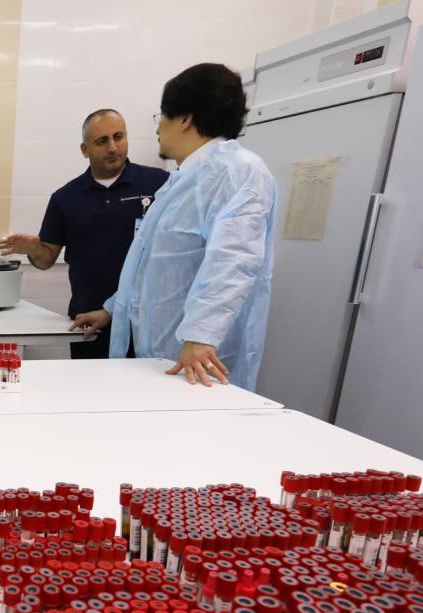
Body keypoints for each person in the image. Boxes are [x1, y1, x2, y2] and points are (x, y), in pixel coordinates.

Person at [70, 63, 277, 389]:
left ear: (185, 119)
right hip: (164, 356)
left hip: (198, 361)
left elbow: (234, 260)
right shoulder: (181, 181)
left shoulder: (237, 171)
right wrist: (112, 310)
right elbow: (152, 267)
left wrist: (201, 336)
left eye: (161, 116)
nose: (157, 128)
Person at [0, 110, 168, 358]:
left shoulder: (159, 184)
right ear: (85, 149)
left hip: (149, 322)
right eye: (102, 141)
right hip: (89, 324)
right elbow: (45, 260)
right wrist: (33, 249)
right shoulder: (66, 198)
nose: (113, 147)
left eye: (118, 137)